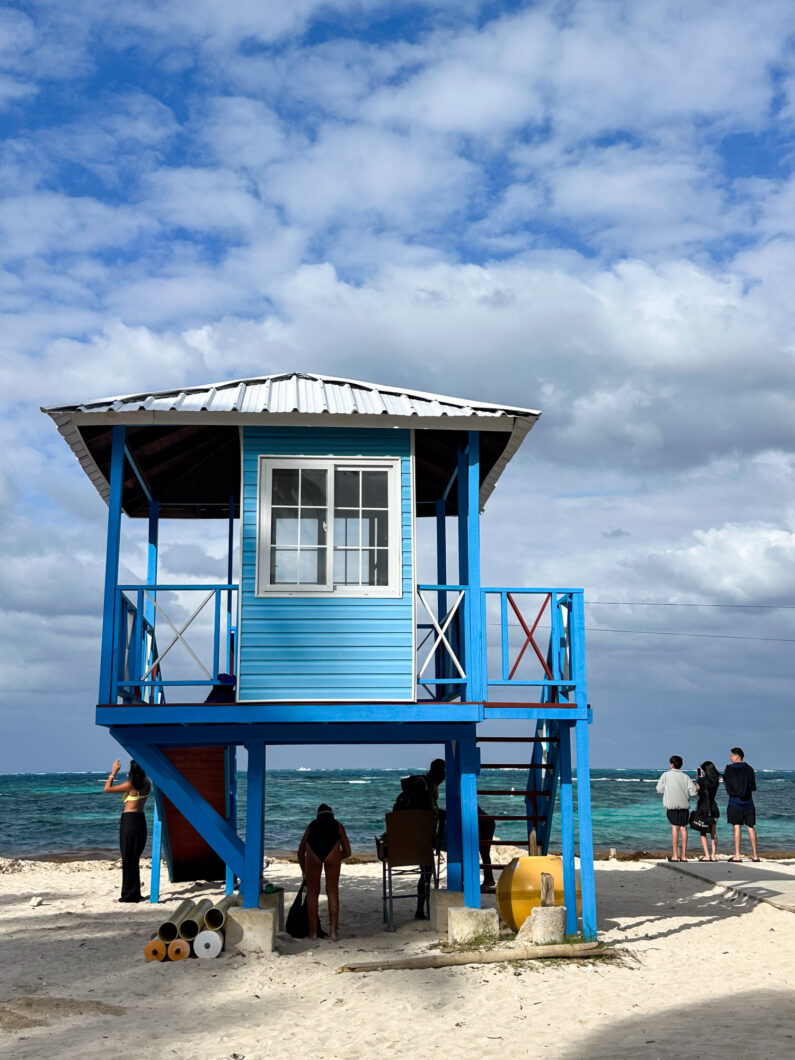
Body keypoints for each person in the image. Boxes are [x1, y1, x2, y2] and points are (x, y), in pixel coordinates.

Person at [297, 804, 351, 941]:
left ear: (318, 815)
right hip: (333, 854)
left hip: (313, 855)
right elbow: (348, 852)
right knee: (332, 892)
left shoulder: (312, 826)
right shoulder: (338, 825)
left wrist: (304, 871)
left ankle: (313, 934)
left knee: (312, 894)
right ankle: (333, 934)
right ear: (332, 815)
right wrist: (336, 857)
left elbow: (300, 851)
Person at [103, 758, 151, 902]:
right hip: (140, 820)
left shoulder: (130, 785)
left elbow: (107, 788)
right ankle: (134, 894)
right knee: (134, 859)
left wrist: (113, 772)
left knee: (128, 858)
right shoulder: (147, 784)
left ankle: (129, 896)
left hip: (129, 821)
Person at [656, 755, 697, 861]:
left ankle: (675, 855)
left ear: (671, 764)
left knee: (674, 828)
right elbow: (693, 793)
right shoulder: (685, 776)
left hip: (672, 806)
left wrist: (667, 787)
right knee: (683, 829)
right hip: (684, 806)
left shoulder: (666, 775)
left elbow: (659, 790)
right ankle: (683, 856)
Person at [723, 747, 759, 862]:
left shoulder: (729, 769)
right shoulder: (749, 769)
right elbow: (752, 786)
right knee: (750, 827)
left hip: (735, 802)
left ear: (737, 756)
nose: (730, 757)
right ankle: (755, 855)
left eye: (732, 755)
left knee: (736, 827)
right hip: (748, 802)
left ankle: (737, 855)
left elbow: (727, 784)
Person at [693, 761, 721, 861]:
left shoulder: (701, 781)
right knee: (713, 832)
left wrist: (699, 779)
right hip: (714, 808)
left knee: (703, 832)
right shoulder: (716, 781)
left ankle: (707, 855)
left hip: (702, 808)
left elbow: (695, 791)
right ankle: (713, 855)